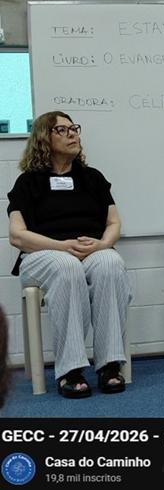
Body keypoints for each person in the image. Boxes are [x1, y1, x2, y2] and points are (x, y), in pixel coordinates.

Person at [7, 111, 132, 398]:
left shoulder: (93, 178)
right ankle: (70, 369)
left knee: (111, 262)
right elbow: (17, 235)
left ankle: (109, 365)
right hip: (44, 254)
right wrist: (61, 246)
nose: (72, 133)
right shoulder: (28, 182)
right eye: (62, 130)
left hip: (91, 250)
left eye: (73, 128)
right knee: (67, 266)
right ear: (44, 139)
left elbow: (114, 223)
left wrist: (102, 245)